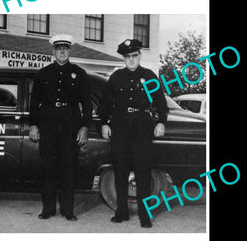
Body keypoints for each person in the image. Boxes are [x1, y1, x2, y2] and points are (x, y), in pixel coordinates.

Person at [98, 38, 168, 228]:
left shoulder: (149, 76)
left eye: (134, 56)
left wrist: (161, 122)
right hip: (120, 127)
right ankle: (122, 211)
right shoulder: (116, 77)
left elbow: (161, 103)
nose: (131, 60)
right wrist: (104, 123)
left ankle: (145, 215)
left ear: (140, 55)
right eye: (127, 56)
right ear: (123, 58)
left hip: (142, 127)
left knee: (143, 171)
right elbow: (104, 104)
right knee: (120, 170)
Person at [29, 34, 92, 221]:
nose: (62, 51)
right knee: (48, 169)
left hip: (70, 127)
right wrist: (33, 125)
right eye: (58, 49)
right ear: (53, 51)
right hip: (47, 126)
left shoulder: (79, 74)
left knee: (68, 169)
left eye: (65, 48)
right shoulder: (43, 73)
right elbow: (34, 102)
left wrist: (85, 127)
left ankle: (68, 210)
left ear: (69, 50)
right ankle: (47, 209)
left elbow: (87, 104)